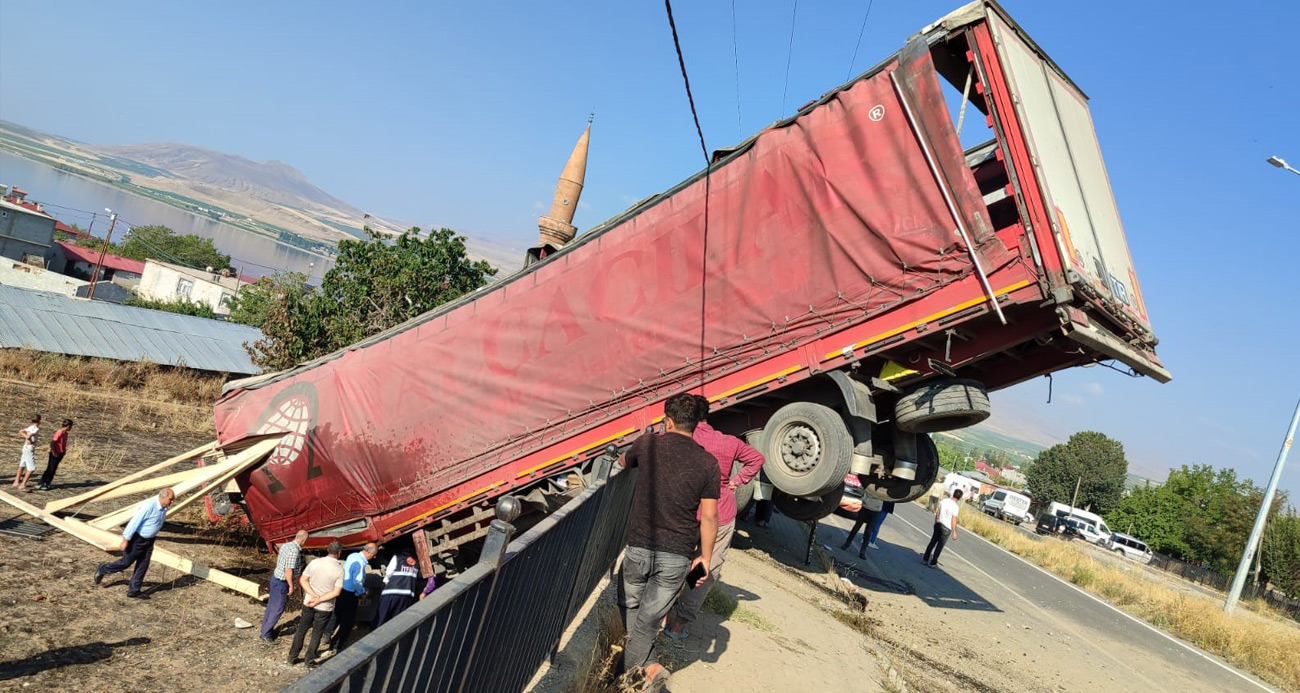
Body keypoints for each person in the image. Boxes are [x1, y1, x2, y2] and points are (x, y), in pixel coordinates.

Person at [617, 394, 719, 689]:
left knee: (630, 608)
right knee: (648, 621)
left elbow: (623, 463)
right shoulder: (708, 462)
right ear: (696, 425)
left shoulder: (648, 444)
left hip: (639, 545)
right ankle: (646, 668)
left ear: (668, 421)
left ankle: (638, 674)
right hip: (677, 556)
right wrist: (706, 559)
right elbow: (710, 517)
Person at [664, 396, 764, 640]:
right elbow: (757, 459)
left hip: (686, 507)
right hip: (720, 512)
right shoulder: (728, 442)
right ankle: (677, 626)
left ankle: (662, 614)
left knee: (673, 560)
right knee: (703, 570)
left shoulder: (681, 437)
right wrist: (737, 481)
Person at [94, 488, 175, 598]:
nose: (172, 502)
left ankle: (134, 590)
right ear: (162, 497)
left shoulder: (164, 507)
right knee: (126, 563)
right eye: (170, 499)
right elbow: (133, 523)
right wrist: (125, 540)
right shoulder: (148, 506)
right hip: (137, 539)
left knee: (143, 564)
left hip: (150, 540)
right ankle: (103, 568)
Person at [288, 540, 345, 669]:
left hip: (308, 602)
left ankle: (292, 657)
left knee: (301, 629)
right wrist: (319, 599)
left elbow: (303, 579)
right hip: (324, 607)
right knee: (317, 633)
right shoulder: (339, 569)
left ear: (327, 549)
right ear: (339, 552)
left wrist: (312, 595)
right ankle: (309, 660)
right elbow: (336, 592)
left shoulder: (315, 562)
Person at [328, 541, 377, 652]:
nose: (374, 557)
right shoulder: (360, 563)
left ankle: (327, 633)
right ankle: (337, 644)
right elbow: (357, 581)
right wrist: (363, 593)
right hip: (350, 594)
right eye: (374, 555)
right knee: (347, 621)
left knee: (337, 614)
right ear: (369, 553)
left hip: (341, 589)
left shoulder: (353, 555)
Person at [261, 530, 308, 644]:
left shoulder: (286, 545)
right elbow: (288, 570)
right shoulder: (294, 551)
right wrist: (291, 586)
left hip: (275, 579)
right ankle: (266, 634)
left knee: (272, 605)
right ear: (303, 540)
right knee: (278, 608)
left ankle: (265, 629)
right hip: (282, 582)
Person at [373, 552, 420, 628]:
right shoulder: (417, 562)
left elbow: (388, 573)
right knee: (398, 621)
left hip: (390, 593)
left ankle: (376, 637)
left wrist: (384, 584)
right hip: (407, 595)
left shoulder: (397, 557)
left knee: (381, 619)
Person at [923, 488, 962, 568]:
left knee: (932, 542)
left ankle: (925, 559)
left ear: (953, 494)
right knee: (939, 546)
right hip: (946, 528)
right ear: (959, 498)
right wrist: (954, 532)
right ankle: (933, 562)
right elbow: (953, 520)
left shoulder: (944, 501)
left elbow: (938, 512)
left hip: (939, 523)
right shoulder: (955, 507)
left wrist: (935, 522)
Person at [36, 419, 73, 490]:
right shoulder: (59, 432)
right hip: (55, 453)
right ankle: (45, 482)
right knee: (51, 468)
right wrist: (54, 452)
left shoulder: (65, 433)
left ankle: (44, 482)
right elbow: (53, 442)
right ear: (68, 426)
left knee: (53, 468)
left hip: (60, 453)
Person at [11, 414, 40, 492]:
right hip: (29, 449)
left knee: (22, 464)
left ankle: (16, 482)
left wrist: (25, 435)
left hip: (25, 448)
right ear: (39, 421)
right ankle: (23, 484)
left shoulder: (30, 427)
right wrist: (27, 437)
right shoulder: (35, 429)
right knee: (32, 468)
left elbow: (21, 431)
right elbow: (28, 436)